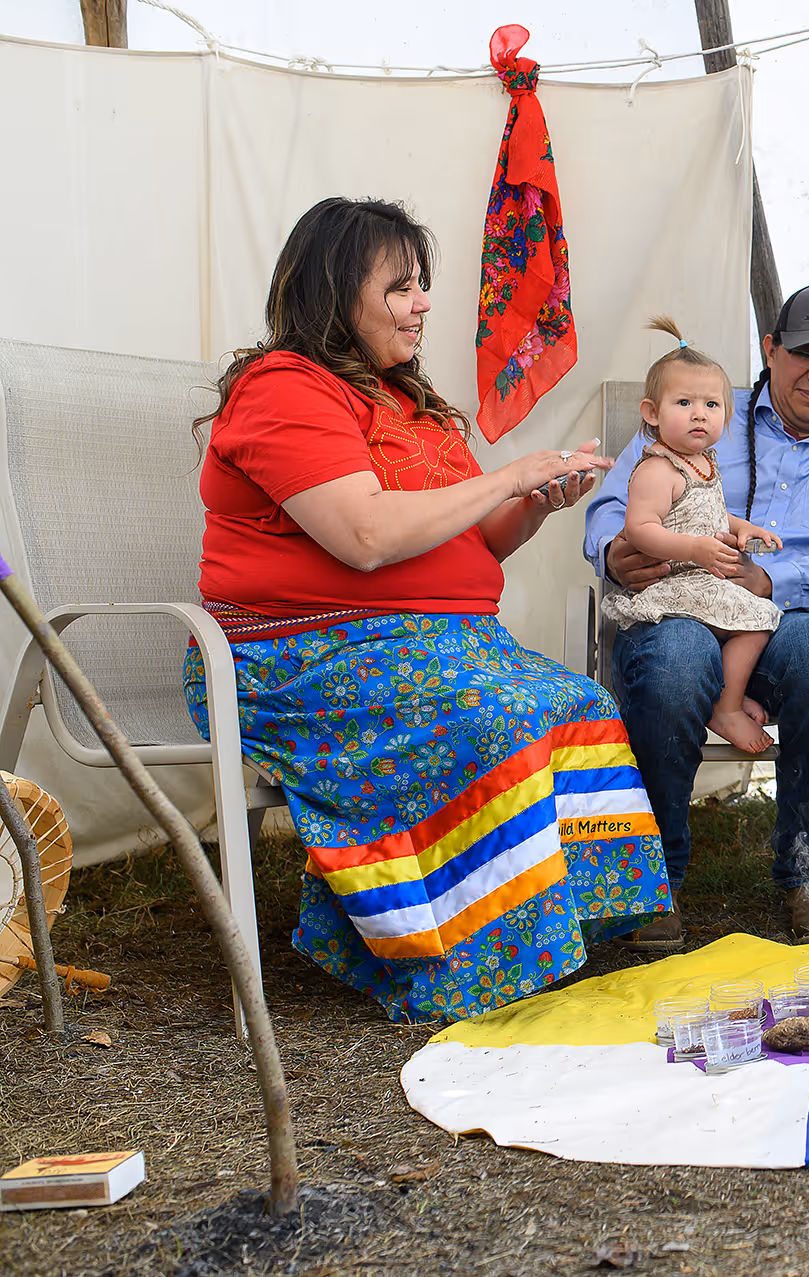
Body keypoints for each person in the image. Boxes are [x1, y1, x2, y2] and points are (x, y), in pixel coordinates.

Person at [184, 196, 672, 1024]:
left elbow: (472, 545)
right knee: (497, 718)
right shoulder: (285, 390)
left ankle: (558, 935)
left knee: (579, 705)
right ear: (337, 293)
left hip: (431, 641)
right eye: (402, 288)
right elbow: (366, 536)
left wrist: (537, 502)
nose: (423, 305)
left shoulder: (408, 401)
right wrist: (509, 475)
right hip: (298, 656)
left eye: (422, 286)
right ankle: (459, 962)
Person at [582, 283, 809, 947]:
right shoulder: (698, 411)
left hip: (787, 619)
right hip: (681, 606)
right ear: (770, 349)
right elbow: (611, 513)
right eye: (803, 355)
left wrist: (775, 576)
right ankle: (651, 880)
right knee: (674, 659)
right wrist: (617, 553)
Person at [602, 317, 785, 754]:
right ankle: (726, 707)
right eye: (684, 402)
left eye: (711, 405)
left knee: (756, 620)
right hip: (677, 585)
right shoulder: (657, 468)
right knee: (755, 621)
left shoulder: (704, 462)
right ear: (651, 413)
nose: (699, 414)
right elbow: (639, 529)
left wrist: (744, 529)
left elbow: (713, 514)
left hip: (704, 580)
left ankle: (726, 700)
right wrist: (696, 550)